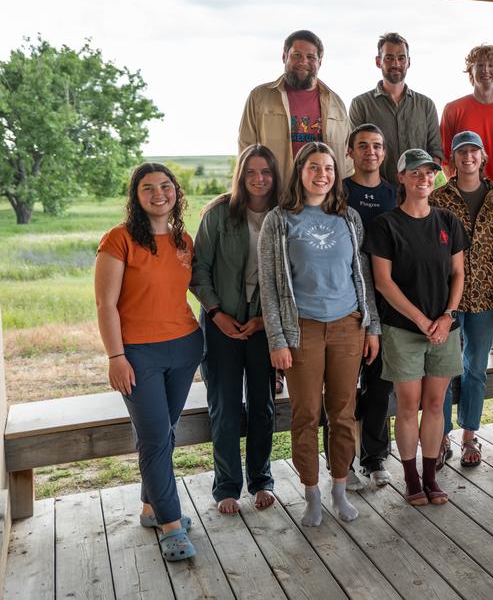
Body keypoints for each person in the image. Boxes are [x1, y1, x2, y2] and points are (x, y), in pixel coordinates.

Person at [258, 142, 381, 527]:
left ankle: (339, 489)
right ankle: (311, 494)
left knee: (343, 413)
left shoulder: (349, 218)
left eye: (329, 167)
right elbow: (269, 286)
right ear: (300, 171)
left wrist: (371, 327)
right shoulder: (279, 221)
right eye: (314, 167)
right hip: (303, 329)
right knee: (306, 414)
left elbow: (363, 278)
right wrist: (277, 339)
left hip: (347, 325)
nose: (323, 174)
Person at [95, 163, 203, 561]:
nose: (159, 193)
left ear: (176, 192)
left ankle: (149, 508)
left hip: (186, 347)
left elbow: (198, 287)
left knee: (162, 433)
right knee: (157, 437)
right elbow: (105, 304)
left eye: (165, 186)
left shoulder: (183, 240)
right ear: (136, 197)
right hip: (138, 355)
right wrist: (116, 356)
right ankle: (171, 525)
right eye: (147, 188)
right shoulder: (118, 239)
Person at [364, 148, 467, 506]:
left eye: (430, 173)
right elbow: (383, 283)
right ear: (402, 179)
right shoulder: (386, 225)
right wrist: (422, 321)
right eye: (416, 173)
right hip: (403, 330)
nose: (424, 178)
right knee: (408, 406)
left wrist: (447, 315)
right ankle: (410, 479)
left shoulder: (447, 221)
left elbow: (458, 274)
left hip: (444, 329)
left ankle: (431, 476)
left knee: (436, 403)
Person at [191, 144, 279, 514]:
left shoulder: (283, 216)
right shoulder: (218, 214)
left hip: (264, 325)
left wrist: (265, 320)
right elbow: (198, 271)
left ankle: (261, 480)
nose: (259, 179)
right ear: (241, 175)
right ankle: (227, 485)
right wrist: (216, 314)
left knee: (263, 405)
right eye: (251, 172)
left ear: (275, 177)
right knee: (224, 407)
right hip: (220, 325)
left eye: (266, 172)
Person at [430, 131, 493, 468]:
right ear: (453, 158)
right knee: (444, 369)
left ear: (483, 157)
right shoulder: (438, 197)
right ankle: (441, 436)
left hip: (487, 296)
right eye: (461, 152)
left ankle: (469, 436)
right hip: (447, 297)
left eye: (474, 151)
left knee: (475, 368)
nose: (468, 158)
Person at [343, 124, 399, 487]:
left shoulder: (395, 193)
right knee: (343, 388)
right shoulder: (338, 191)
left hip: (385, 300)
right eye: (362, 145)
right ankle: (342, 460)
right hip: (344, 301)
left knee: (379, 384)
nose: (370, 152)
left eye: (377, 146)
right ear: (349, 151)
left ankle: (375, 456)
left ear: (384, 153)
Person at [238, 29, 353, 182]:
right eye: (296, 55)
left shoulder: (336, 103)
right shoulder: (259, 98)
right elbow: (246, 148)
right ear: (284, 57)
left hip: (323, 197)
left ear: (320, 61)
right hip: (276, 194)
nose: (303, 61)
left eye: (311, 57)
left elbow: (347, 156)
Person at [349, 33, 443, 184]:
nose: (396, 64)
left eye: (401, 58)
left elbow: (436, 152)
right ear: (378, 61)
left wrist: (422, 183)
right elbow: (357, 154)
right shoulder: (360, 105)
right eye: (389, 57)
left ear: (409, 62)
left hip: (417, 194)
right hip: (377, 195)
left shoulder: (426, 105)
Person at [441, 44, 493, 201]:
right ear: (471, 72)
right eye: (479, 65)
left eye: (491, 65)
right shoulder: (453, 110)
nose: (485, 70)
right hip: (462, 200)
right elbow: (446, 160)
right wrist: (462, 190)